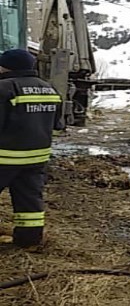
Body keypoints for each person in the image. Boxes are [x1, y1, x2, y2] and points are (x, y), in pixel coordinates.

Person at [0, 49, 63, 247]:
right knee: (29, 202)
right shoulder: (49, 89)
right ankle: (29, 240)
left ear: (7, 67)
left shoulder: (4, 88)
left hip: (4, 158)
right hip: (36, 159)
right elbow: (58, 125)